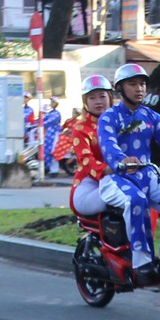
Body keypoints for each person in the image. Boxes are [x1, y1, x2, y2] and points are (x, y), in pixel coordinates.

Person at [95, 63, 160, 273]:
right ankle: (142, 261)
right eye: (132, 84)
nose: (139, 89)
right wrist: (122, 160)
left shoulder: (151, 116)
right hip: (117, 179)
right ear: (120, 88)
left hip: (148, 175)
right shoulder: (108, 117)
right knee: (136, 200)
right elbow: (109, 146)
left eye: (142, 84)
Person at [53, 75, 112, 218]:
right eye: (92, 98)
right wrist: (110, 170)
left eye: (102, 96)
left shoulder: (120, 124)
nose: (98, 101)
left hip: (120, 177)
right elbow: (86, 161)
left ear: (110, 98)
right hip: (89, 184)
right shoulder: (81, 128)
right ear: (85, 102)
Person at [40, 95, 63, 176]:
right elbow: (41, 119)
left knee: (53, 152)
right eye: (51, 102)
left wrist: (40, 124)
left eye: (53, 102)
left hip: (55, 134)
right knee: (46, 151)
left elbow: (48, 121)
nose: (51, 103)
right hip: (48, 135)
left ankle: (54, 170)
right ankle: (47, 168)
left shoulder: (57, 114)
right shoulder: (49, 113)